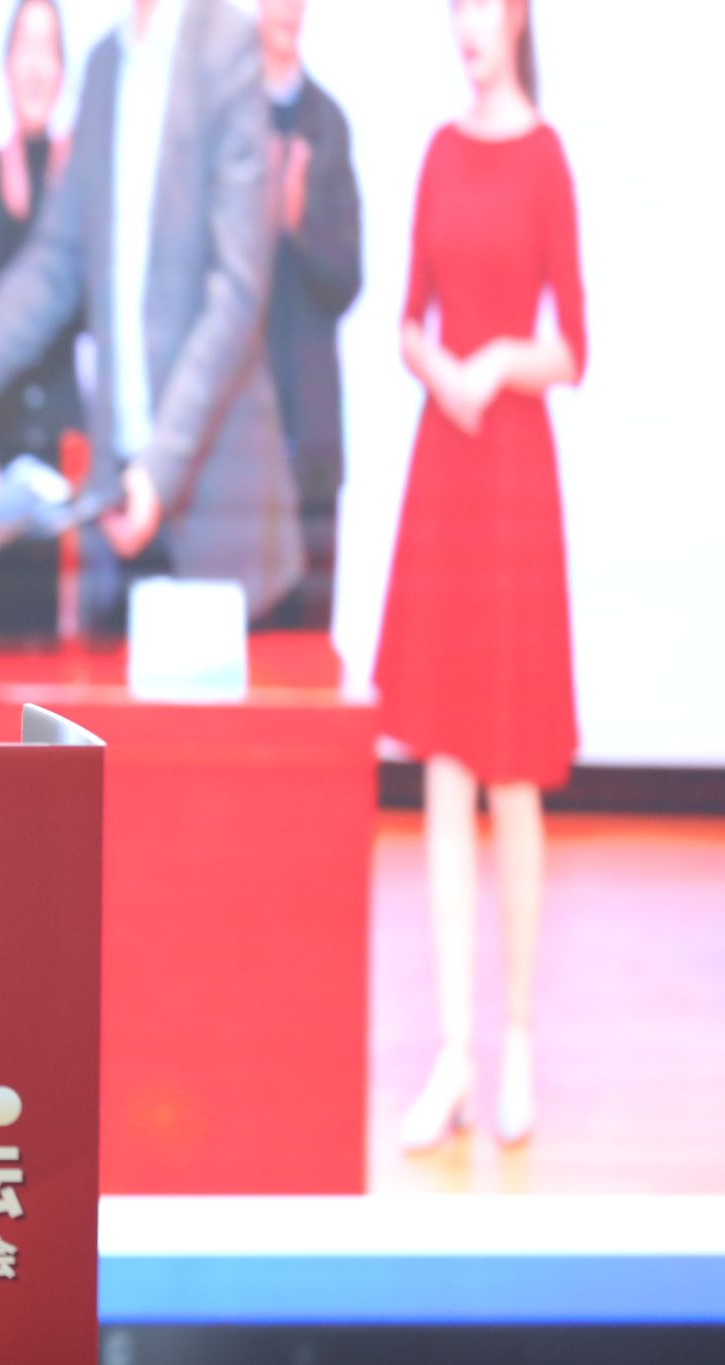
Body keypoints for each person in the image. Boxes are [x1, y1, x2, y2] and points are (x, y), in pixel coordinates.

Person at [0, 0, 303, 632]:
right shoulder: (105, 64)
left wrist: (159, 468)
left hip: (212, 503)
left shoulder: (229, 43)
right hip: (116, 504)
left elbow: (237, 294)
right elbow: (58, 258)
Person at [383, 0, 583, 1150]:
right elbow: (407, 319)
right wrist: (436, 367)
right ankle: (452, 1050)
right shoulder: (435, 151)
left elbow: (573, 346)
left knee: (510, 765)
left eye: (483, 7)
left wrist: (500, 360)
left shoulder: (544, 156)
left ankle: (513, 1039)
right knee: (444, 762)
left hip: (510, 472)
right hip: (443, 464)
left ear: (516, 20)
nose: (466, 26)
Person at [0, 0, 86, 638]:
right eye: (25, 49)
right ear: (6, 64)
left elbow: (90, 309)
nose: (36, 66)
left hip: (67, 442)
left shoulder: (82, 179)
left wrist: (64, 201)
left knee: (68, 637)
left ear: (63, 70)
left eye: (50, 50)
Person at [259, 0, 362, 629]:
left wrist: (298, 222)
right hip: (241, 439)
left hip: (313, 434)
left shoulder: (327, 124)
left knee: (308, 641)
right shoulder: (226, 113)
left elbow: (349, 277)